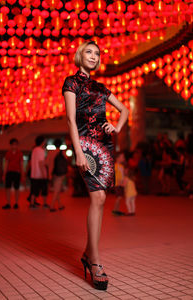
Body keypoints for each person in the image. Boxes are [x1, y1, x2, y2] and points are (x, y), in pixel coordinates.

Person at [62, 41, 129, 290]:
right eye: (88, 52)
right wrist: (77, 152)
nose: (93, 56)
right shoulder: (71, 82)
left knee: (100, 200)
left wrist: (117, 127)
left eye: (97, 53)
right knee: (98, 198)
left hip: (104, 145)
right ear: (80, 56)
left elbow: (123, 110)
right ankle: (95, 261)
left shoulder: (101, 87)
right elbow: (70, 119)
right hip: (86, 147)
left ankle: (87, 254)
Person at [2, 138, 24, 209]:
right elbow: (6, 164)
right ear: (10, 145)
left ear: (17, 145)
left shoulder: (20, 153)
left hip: (17, 173)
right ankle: (8, 203)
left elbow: (21, 165)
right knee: (8, 188)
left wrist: (22, 175)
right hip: (9, 172)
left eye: (16, 144)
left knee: (17, 188)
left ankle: (16, 203)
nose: (14, 146)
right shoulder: (8, 153)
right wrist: (4, 174)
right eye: (13, 145)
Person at [30, 135, 49, 208]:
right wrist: (44, 174)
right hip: (40, 174)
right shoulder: (41, 150)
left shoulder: (34, 149)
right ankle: (44, 203)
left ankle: (32, 203)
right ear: (42, 142)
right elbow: (41, 163)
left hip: (34, 173)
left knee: (34, 189)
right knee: (44, 189)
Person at [49, 138, 67, 212]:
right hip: (60, 173)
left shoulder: (51, 152)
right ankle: (52, 206)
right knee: (57, 190)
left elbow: (48, 163)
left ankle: (60, 205)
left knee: (57, 188)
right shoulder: (62, 152)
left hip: (53, 173)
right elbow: (66, 161)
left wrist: (49, 174)